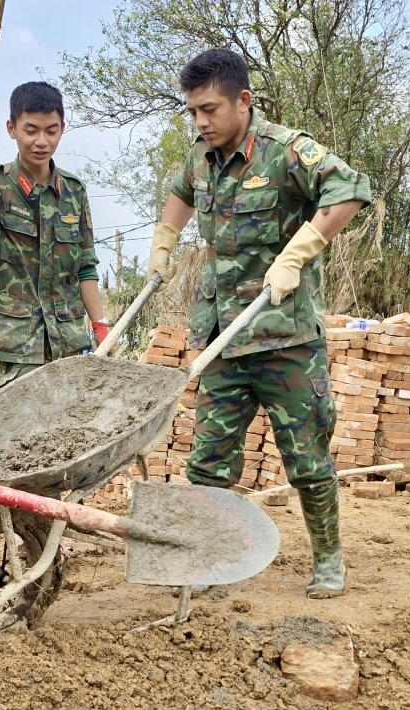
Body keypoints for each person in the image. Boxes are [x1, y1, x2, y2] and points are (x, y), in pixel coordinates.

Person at [146, 48, 371, 598]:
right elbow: (180, 193)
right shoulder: (201, 157)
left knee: (307, 458)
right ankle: (206, 561)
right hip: (223, 341)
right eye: (193, 111)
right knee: (208, 462)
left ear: (243, 101)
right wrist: (164, 241)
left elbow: (351, 188)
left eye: (210, 109)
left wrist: (300, 252)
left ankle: (328, 560)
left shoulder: (284, 152)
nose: (201, 121)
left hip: (284, 338)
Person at [0, 80, 106, 389]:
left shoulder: (74, 192)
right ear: (11, 129)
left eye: (51, 131)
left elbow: (86, 267)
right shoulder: (0, 185)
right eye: (31, 130)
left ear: (62, 128)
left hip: (68, 342)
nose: (41, 141)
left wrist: (101, 325)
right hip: (19, 344)